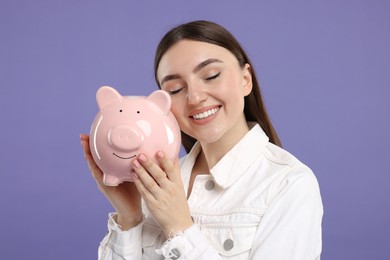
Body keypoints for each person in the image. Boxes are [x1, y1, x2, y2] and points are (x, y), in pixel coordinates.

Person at [80, 20, 323, 260]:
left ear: (245, 79)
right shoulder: (157, 182)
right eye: (175, 89)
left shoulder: (289, 184)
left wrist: (180, 227)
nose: (195, 97)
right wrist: (129, 217)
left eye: (211, 75)